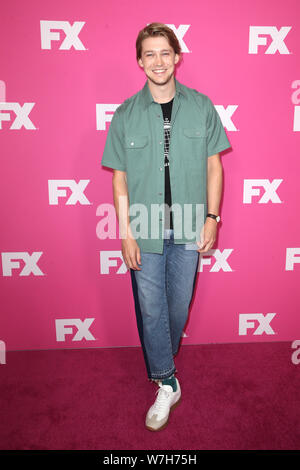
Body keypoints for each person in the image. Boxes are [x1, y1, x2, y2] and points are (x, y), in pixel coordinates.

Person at [101, 22, 231, 432]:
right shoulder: (125, 113)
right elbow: (118, 176)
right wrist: (125, 230)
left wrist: (212, 217)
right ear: (140, 62)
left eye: (165, 53)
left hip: (192, 222)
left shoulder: (202, 106)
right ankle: (166, 380)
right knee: (153, 306)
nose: (158, 61)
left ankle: (161, 358)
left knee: (175, 308)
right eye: (149, 54)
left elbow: (214, 166)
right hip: (144, 223)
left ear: (177, 57)